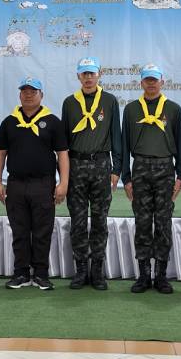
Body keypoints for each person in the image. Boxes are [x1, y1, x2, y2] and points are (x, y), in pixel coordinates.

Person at [0, 75, 69, 290]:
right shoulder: (9, 122)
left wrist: (63, 183)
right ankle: (21, 273)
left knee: (42, 231)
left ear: (41, 95)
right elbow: (0, 154)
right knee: (19, 231)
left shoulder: (52, 122)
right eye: (25, 91)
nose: (28, 95)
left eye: (33, 91)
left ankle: (41, 274)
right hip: (16, 184)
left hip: (43, 184)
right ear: (19, 95)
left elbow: (62, 154)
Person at [121, 65, 181, 294]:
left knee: (164, 223)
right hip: (140, 168)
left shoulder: (174, 109)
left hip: (165, 168)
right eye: (147, 80)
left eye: (155, 80)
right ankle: (143, 275)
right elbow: (124, 145)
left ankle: (161, 275)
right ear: (141, 83)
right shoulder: (131, 109)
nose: (151, 83)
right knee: (142, 223)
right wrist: (126, 177)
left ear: (162, 82)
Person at [61, 57, 122, 290]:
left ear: (99, 74)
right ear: (78, 76)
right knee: (77, 221)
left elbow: (116, 135)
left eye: (92, 73)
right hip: (76, 166)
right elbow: (63, 141)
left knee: (99, 221)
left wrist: (117, 168)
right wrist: (63, 173)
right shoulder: (70, 103)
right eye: (84, 73)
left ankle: (97, 270)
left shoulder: (109, 100)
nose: (88, 78)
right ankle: (80, 270)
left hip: (101, 166)